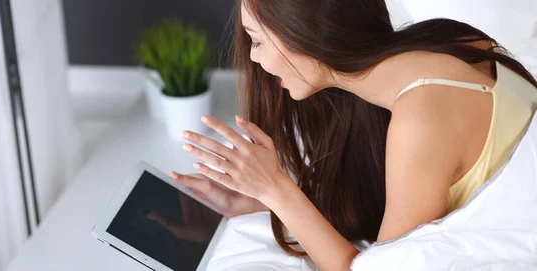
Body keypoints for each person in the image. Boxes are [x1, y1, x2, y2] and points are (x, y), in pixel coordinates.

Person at [170, 0, 537, 269]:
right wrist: (257, 201)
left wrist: (276, 189)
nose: (254, 58)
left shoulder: (421, 121)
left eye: (258, 41)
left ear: (304, 34)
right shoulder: (450, 37)